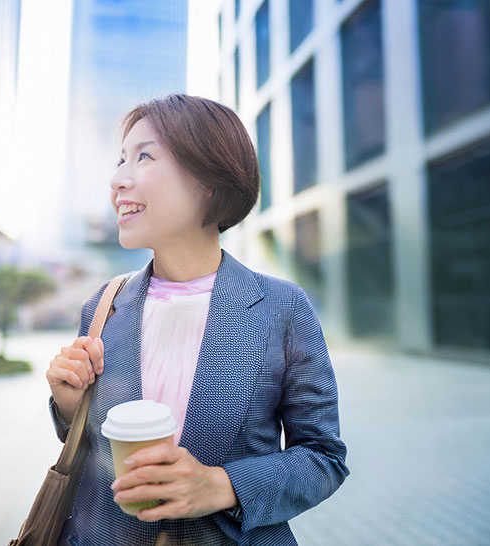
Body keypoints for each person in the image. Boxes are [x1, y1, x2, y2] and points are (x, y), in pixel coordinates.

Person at [46, 94, 350, 545]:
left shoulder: (282, 307)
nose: (117, 180)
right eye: (120, 161)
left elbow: (324, 458)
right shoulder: (103, 305)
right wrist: (70, 407)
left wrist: (221, 486)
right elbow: (89, 449)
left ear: (209, 177)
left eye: (143, 156)